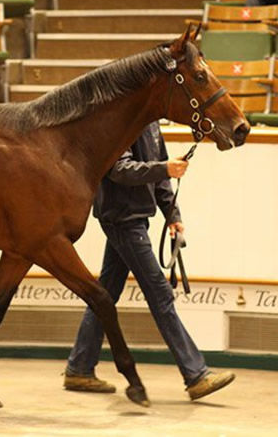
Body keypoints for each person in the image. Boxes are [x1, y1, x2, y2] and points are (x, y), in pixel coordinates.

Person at [63, 121, 235, 401]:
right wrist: (164, 168)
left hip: (133, 218)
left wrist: (172, 214)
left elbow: (160, 176)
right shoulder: (120, 123)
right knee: (160, 293)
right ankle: (196, 375)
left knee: (104, 294)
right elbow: (119, 170)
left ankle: (79, 368)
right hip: (122, 219)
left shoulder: (151, 124)